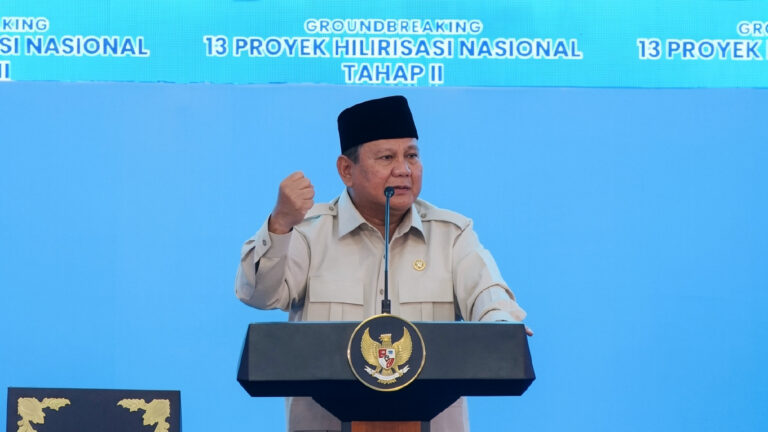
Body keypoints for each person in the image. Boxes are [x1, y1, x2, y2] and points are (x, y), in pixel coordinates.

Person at [235, 95, 531, 432]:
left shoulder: (451, 234)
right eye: (387, 157)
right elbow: (259, 294)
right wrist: (280, 224)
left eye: (412, 156)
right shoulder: (308, 232)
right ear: (347, 170)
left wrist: (503, 325)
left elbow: (487, 293)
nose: (404, 170)